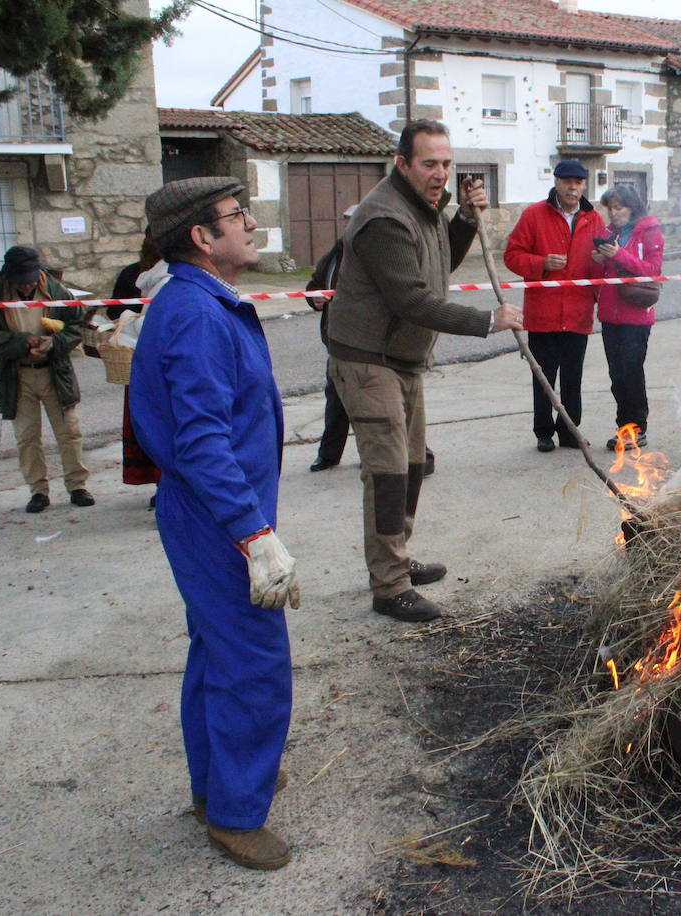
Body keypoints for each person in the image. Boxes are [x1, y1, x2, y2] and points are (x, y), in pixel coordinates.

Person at [130, 177, 302, 870]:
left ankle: (222, 782)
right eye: (238, 217)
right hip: (216, 518)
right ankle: (235, 815)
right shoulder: (197, 314)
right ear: (202, 237)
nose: (252, 224)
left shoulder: (199, 299)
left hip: (214, 511)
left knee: (216, 654)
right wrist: (253, 535)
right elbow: (202, 440)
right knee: (254, 664)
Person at [325, 119, 522, 622]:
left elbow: (438, 266)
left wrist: (463, 220)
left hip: (403, 358)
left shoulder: (424, 208)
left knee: (412, 466)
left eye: (447, 163)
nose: (440, 173)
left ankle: (396, 556)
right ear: (403, 164)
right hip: (368, 358)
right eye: (430, 163)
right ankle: (388, 586)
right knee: (388, 473)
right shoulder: (385, 219)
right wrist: (486, 320)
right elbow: (412, 298)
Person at [0, 245, 94, 513]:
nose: (26, 286)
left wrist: (54, 342)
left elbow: (76, 325)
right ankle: (38, 490)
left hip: (53, 371)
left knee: (69, 431)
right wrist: (20, 342)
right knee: (27, 436)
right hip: (17, 372)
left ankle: (77, 485)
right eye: (20, 281)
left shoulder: (55, 288)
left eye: (29, 278)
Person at [504, 159, 605, 452]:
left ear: (584, 185)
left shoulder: (594, 218)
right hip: (543, 314)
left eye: (578, 182)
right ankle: (543, 432)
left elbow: (599, 267)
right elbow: (512, 256)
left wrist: (601, 266)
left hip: (578, 312)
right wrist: (541, 263)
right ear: (556, 183)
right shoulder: (534, 215)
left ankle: (570, 431)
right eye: (567, 182)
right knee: (543, 377)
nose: (573, 187)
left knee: (573, 378)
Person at [588, 184, 664, 451]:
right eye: (610, 209)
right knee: (616, 374)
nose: (614, 214)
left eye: (619, 208)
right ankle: (623, 427)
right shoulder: (611, 232)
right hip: (610, 313)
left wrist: (619, 254)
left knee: (631, 373)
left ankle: (636, 428)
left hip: (636, 314)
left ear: (632, 207)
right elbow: (608, 271)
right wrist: (600, 258)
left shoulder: (650, 231)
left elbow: (652, 270)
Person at [108, 237, 167, 502]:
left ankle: (164, 484)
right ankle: (162, 484)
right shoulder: (135, 275)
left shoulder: (168, 278)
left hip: (150, 363)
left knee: (156, 424)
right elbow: (114, 311)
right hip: (140, 360)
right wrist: (127, 322)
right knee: (155, 425)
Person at [305, 205, 355, 473]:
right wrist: (315, 299)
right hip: (336, 342)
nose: (349, 227)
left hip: (367, 343)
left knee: (370, 405)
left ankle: (411, 455)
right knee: (335, 402)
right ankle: (329, 455)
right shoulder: (334, 255)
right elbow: (314, 286)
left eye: (354, 221)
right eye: (346, 221)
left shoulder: (375, 253)